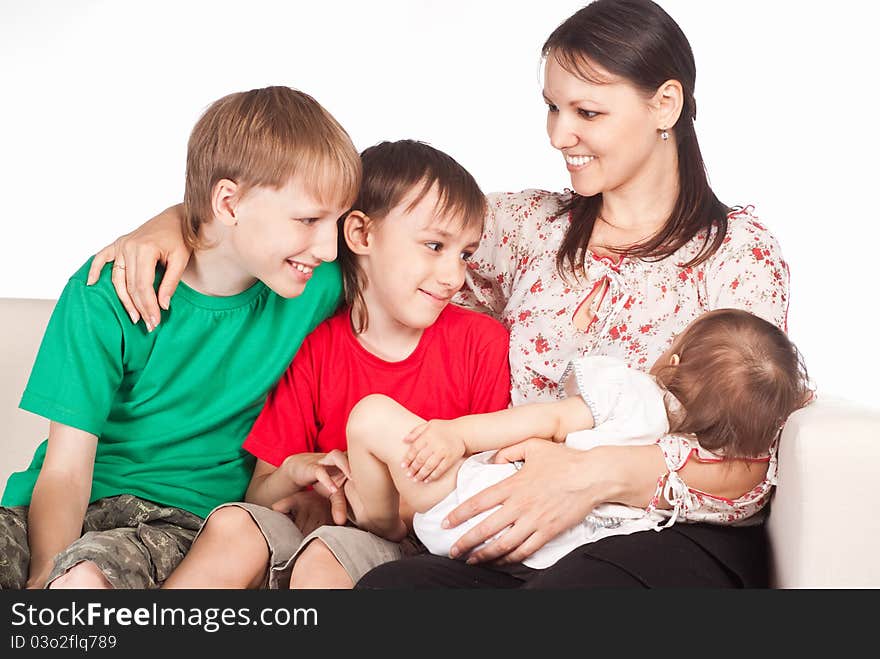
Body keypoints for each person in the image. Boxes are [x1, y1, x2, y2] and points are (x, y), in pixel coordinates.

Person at [87, 0, 797, 588]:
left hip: (659, 528)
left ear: (665, 103)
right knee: (391, 592)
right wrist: (182, 222)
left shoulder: (740, 253)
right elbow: (366, 209)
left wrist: (593, 474)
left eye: (587, 112)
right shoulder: (525, 226)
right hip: (507, 518)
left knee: (574, 597)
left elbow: (751, 459)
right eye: (551, 108)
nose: (559, 134)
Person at [0, 86, 361, 589]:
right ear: (228, 202)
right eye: (308, 220)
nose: (328, 245)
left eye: (338, 221)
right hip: (53, 510)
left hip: (179, 523)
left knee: (84, 579)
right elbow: (64, 470)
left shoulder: (313, 283)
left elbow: (409, 249)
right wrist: (42, 573)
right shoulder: (109, 291)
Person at [159, 140, 512, 589]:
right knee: (235, 523)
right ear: (361, 235)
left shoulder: (480, 343)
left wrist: (356, 500)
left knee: (326, 555)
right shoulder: (317, 347)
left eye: (464, 254)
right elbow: (262, 493)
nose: (454, 276)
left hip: (412, 549)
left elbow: (477, 486)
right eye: (434, 245)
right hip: (309, 535)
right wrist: (296, 475)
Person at [344, 308, 810, 572]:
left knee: (370, 416)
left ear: (678, 356)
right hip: (556, 551)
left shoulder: (631, 394)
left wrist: (455, 434)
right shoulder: (700, 460)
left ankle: (384, 525)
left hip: (475, 506)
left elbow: (542, 421)